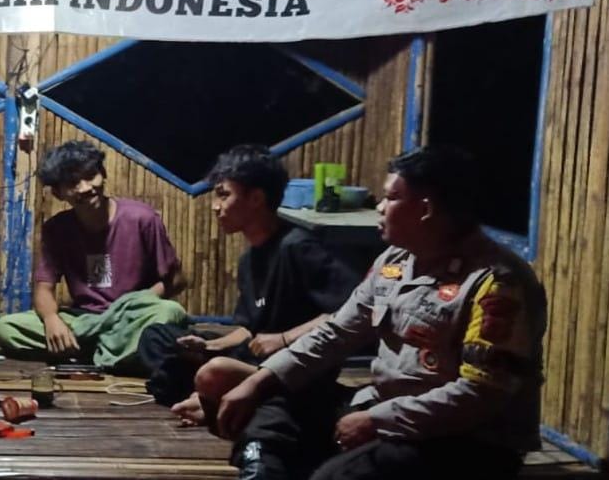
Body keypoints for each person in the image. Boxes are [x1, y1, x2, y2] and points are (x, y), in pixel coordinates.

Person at [213, 146, 546, 480]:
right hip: (382, 407)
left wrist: (378, 420)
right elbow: (336, 334)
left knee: (335, 475)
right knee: (277, 404)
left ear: (425, 209)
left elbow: (481, 395)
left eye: (391, 198)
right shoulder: (394, 262)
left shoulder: (496, 282)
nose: (380, 207)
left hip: (465, 440)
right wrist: (259, 381)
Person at [140, 145, 357, 410]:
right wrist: (209, 345)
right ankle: (218, 393)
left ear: (256, 198)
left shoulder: (298, 247)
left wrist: (284, 338)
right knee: (157, 336)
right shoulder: (249, 260)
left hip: (295, 364)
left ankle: (221, 395)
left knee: (202, 374)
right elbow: (249, 330)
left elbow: (350, 311)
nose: (215, 206)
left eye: (224, 195)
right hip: (255, 355)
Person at [0, 140, 188, 372]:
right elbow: (44, 289)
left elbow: (177, 279)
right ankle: (116, 351)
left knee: (170, 312)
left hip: (133, 316)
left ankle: (86, 350)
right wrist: (52, 320)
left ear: (103, 174)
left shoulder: (142, 218)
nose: (85, 188)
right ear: (58, 193)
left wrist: (134, 303)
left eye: (90, 176)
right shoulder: (57, 229)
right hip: (84, 320)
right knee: (6, 327)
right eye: (72, 183)